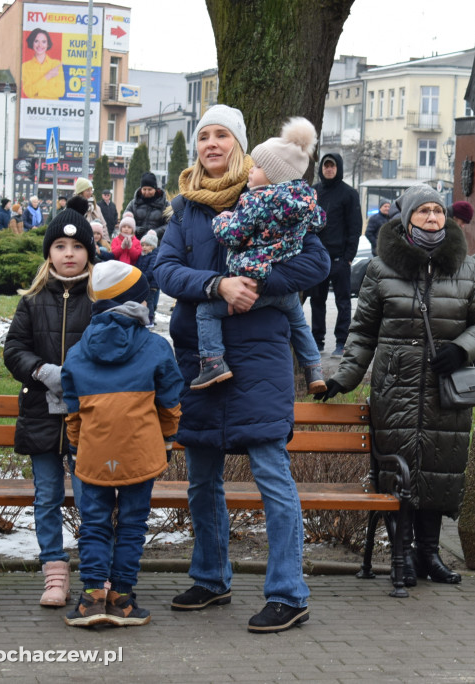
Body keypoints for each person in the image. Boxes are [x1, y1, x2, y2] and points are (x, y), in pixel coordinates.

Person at [153, 103, 329, 633]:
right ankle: (211, 578)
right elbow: (162, 268)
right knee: (202, 481)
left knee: (273, 477)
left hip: (258, 356)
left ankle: (288, 592)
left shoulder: (274, 196)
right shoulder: (185, 209)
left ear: (241, 145)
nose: (211, 144)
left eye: (222, 135)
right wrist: (215, 285)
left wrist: (257, 283)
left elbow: (317, 263)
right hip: (200, 360)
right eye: (204, 135)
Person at [317, 184, 475, 585]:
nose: (433, 218)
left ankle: (429, 555)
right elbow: (362, 333)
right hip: (395, 389)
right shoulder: (382, 268)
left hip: (445, 391)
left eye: (438, 211)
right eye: (424, 212)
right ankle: (400, 555)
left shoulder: (466, 268)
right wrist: (343, 378)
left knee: (439, 472)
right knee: (398, 473)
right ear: (407, 219)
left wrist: (463, 348)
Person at [61, 261, 183, 627]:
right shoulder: (156, 347)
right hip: (140, 452)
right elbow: (170, 403)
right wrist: (166, 439)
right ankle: (123, 600)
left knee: (95, 523)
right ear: (136, 302)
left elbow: (72, 410)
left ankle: (92, 598)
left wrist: (77, 446)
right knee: (131, 525)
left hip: (94, 454)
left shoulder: (78, 351)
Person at [2, 196, 96, 607]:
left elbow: (116, 347)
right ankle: (54, 574)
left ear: (89, 253)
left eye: (77, 248)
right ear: (49, 254)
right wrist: (42, 371)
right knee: (47, 498)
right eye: (60, 247)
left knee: (93, 498)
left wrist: (81, 377)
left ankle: (97, 573)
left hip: (89, 418)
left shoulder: (100, 299)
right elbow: (14, 349)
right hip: (41, 414)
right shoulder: (32, 300)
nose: (69, 254)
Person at [190, 117, 327, 395]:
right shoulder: (307, 201)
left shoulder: (254, 200)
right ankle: (314, 369)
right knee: (299, 322)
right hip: (283, 287)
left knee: (206, 312)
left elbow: (232, 235)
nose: (252, 170)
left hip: (251, 280)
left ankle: (214, 362)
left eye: (259, 167)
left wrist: (220, 220)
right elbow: (319, 221)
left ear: (275, 174)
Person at [306, 153, 360, 357]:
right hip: (317, 259)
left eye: (332, 166)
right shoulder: (314, 192)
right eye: (326, 166)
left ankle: (341, 342)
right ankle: (317, 341)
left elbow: (354, 227)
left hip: (339, 259)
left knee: (343, 302)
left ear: (339, 168)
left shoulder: (349, 194)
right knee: (316, 301)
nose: (329, 169)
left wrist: (348, 256)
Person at [21, 28, 64, 99]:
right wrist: (48, 76)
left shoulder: (56, 64)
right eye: (36, 41)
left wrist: (38, 92)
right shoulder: (25, 66)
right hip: (33, 108)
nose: (40, 45)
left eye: (44, 42)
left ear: (48, 44)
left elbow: (60, 91)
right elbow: (28, 92)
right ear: (32, 43)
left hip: (52, 108)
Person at [125, 173, 169, 241]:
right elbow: (125, 221)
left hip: (158, 244)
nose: (147, 192)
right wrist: (135, 228)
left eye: (150, 189)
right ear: (141, 189)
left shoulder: (165, 205)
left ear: (155, 189)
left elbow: (170, 224)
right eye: (144, 189)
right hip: (136, 243)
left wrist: (156, 232)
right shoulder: (133, 204)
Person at [136, 230, 160, 326]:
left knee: (149, 302)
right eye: (143, 245)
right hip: (144, 283)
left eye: (147, 245)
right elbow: (138, 266)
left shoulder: (154, 256)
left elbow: (150, 271)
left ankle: (150, 319)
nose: (144, 247)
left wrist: (141, 277)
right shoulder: (143, 256)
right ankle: (145, 318)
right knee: (144, 301)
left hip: (151, 284)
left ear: (153, 246)